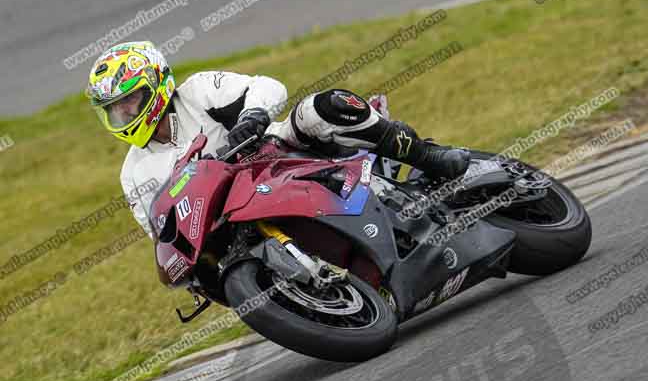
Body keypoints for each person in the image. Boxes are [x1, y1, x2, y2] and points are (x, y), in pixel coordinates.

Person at [85, 41, 470, 239]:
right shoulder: (133, 173)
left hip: (278, 154)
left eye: (130, 100)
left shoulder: (197, 91)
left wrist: (252, 117)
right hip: (232, 220)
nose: (125, 114)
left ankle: (428, 157)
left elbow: (267, 86)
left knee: (322, 108)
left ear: (156, 83)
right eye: (115, 109)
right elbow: (159, 231)